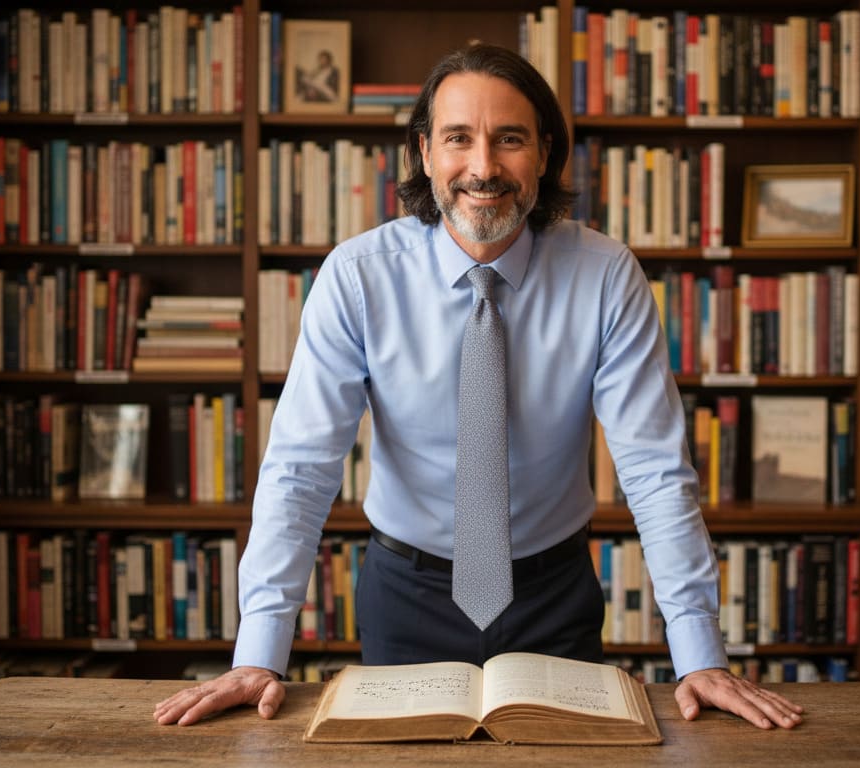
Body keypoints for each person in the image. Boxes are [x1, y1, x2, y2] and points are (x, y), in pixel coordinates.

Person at [154, 43, 803, 731]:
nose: (484, 167)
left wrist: (699, 654)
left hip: (554, 596)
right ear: (425, 152)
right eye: (459, 138)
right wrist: (259, 651)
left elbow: (653, 470)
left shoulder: (607, 276)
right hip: (407, 595)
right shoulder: (358, 278)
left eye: (510, 140)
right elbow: (300, 470)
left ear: (545, 154)